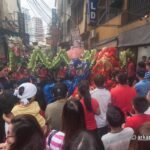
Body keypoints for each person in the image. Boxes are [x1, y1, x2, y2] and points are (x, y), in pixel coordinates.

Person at [78, 80, 101, 149]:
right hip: (93, 128)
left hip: (84, 129)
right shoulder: (94, 101)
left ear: (79, 92)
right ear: (88, 89)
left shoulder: (79, 104)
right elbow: (98, 113)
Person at [90, 75, 111, 139]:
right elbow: (109, 107)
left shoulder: (91, 94)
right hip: (105, 122)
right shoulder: (108, 93)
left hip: (96, 122)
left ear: (94, 83)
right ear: (104, 82)